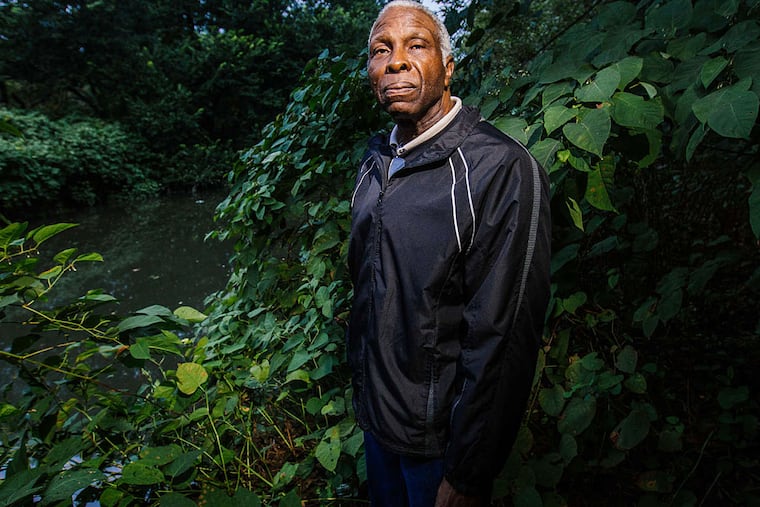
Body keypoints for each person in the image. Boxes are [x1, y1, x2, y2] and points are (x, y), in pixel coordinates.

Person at [347, 1, 552, 505]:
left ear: (448, 66)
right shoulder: (374, 161)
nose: (395, 61)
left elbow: (503, 338)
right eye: (381, 49)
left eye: (416, 45)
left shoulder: (499, 169)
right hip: (377, 428)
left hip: (440, 448)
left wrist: (467, 470)